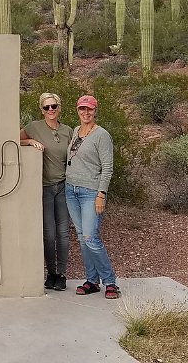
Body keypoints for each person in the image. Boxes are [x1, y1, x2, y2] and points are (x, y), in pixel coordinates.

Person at [65, 94, 120, 299]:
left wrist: (101, 194)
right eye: (82, 109)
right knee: (82, 238)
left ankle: (110, 282)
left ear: (95, 111)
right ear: (77, 110)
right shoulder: (76, 131)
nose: (85, 113)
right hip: (70, 189)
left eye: (89, 109)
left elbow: (107, 168)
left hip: (90, 192)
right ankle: (91, 281)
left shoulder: (102, 135)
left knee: (91, 237)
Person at [20, 92, 72, 291]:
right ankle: (51, 273)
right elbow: (12, 139)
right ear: (41, 109)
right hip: (44, 187)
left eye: (53, 106)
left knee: (63, 233)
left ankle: (62, 274)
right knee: (49, 233)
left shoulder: (68, 131)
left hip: (63, 186)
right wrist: (30, 142)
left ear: (59, 108)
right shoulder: (34, 127)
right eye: (46, 107)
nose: (50, 110)